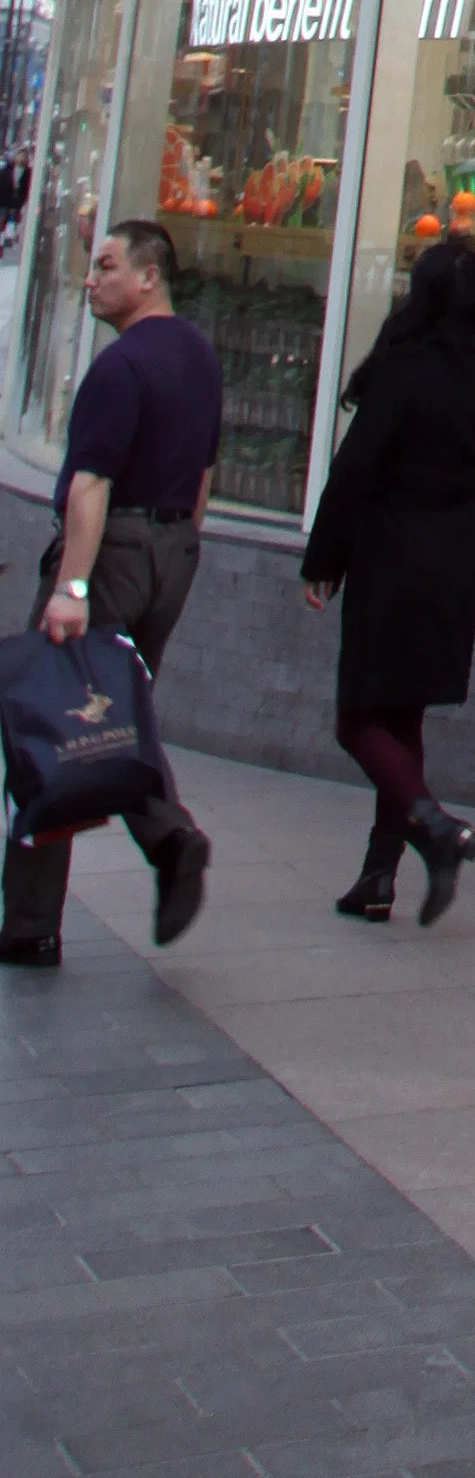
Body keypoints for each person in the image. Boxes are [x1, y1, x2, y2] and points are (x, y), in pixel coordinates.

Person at [2, 213, 218, 962]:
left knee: (52, 726)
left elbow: (89, 487)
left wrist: (73, 587)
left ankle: (30, 923)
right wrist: (178, 548)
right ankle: (171, 837)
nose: (92, 281)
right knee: (117, 717)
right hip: (173, 552)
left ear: (149, 276)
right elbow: (203, 477)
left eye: (107, 267)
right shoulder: (198, 355)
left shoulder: (118, 367)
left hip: (114, 551)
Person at [299, 228, 475, 924]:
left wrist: (324, 559)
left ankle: (434, 826)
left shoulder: (403, 367)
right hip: (456, 552)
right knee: (404, 715)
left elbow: (355, 467)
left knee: (358, 717)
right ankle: (377, 877)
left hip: (391, 550)